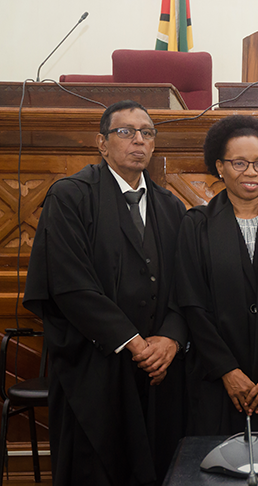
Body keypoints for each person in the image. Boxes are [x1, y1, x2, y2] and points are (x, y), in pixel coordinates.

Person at [23, 100, 187, 485]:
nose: (138, 141)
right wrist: (132, 342)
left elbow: (188, 284)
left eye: (147, 133)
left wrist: (171, 338)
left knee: (159, 465)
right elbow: (69, 283)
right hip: (93, 367)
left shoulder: (170, 206)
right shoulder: (70, 196)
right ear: (102, 143)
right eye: (125, 132)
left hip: (158, 370)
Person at [174, 115, 258, 435]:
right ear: (219, 167)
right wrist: (227, 370)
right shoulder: (196, 225)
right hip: (216, 383)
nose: (251, 172)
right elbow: (192, 304)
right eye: (239, 162)